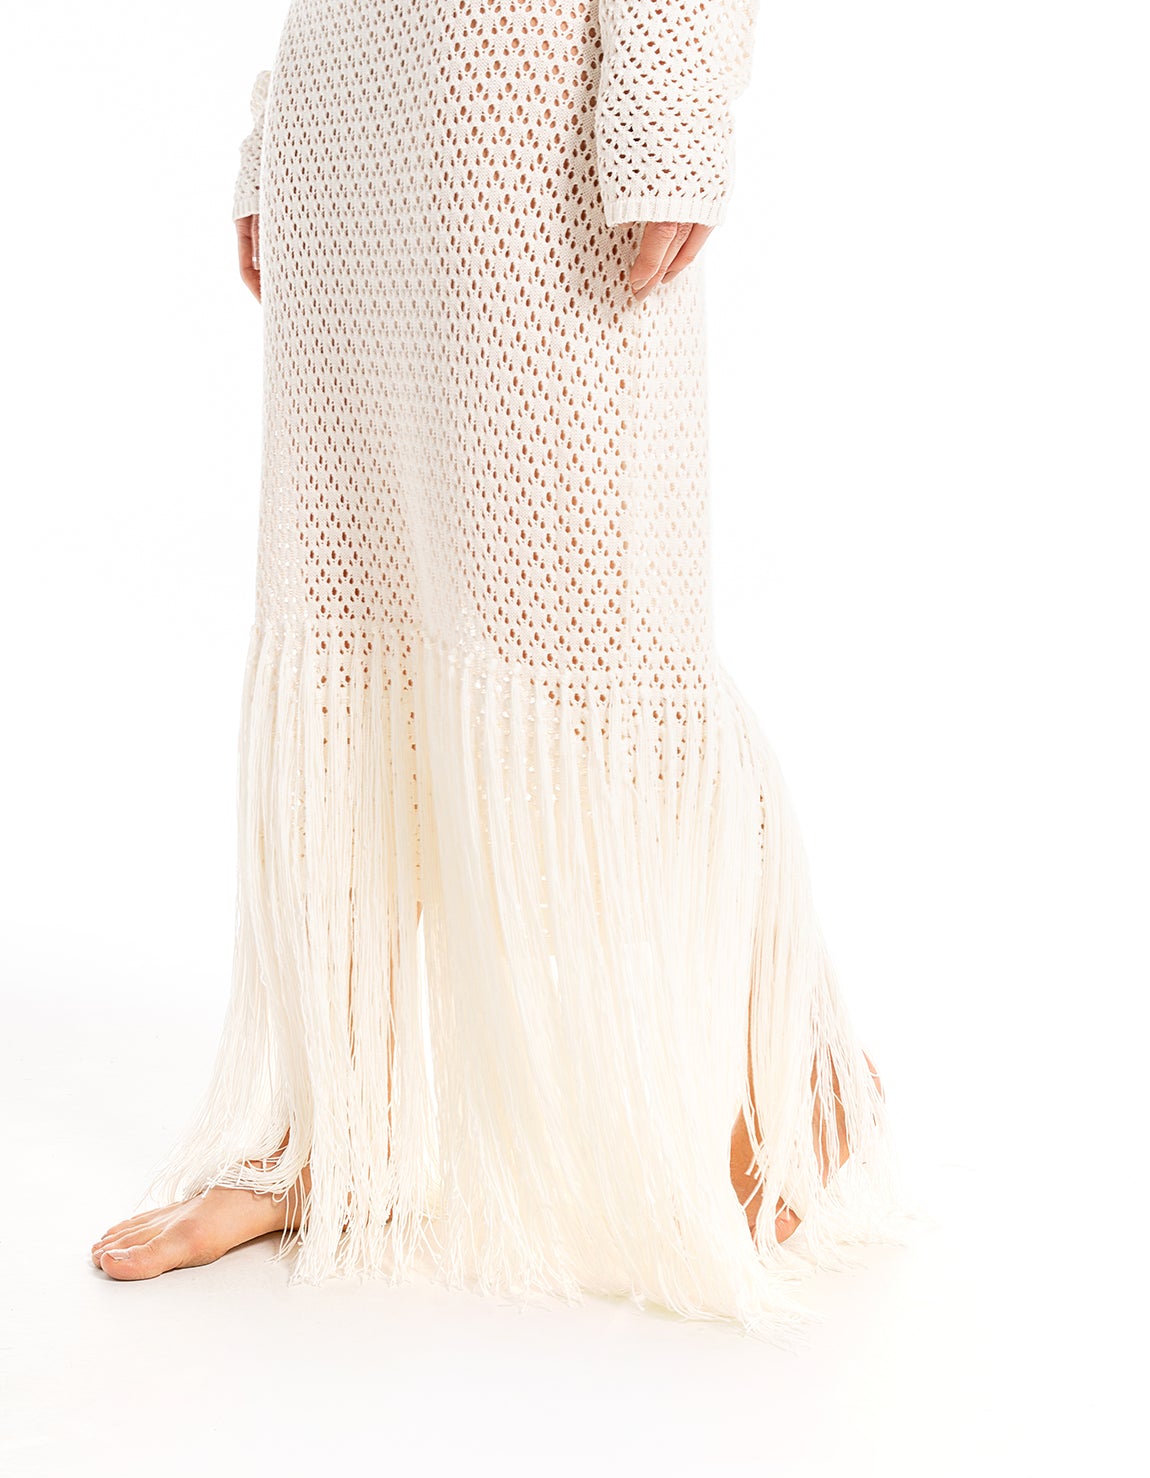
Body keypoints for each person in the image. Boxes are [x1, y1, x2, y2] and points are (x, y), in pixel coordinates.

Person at [92, 1, 904, 1341]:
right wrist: (276, 130)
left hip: (532, 114)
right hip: (355, 118)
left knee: (594, 636)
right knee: (353, 611)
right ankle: (332, 1128)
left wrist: (668, 103)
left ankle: (802, 1063)